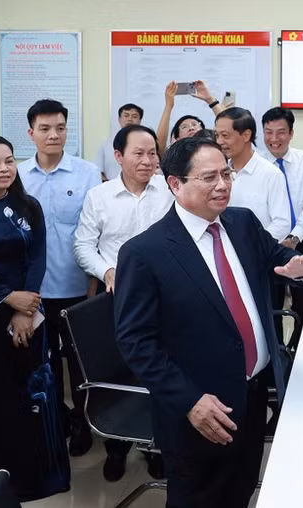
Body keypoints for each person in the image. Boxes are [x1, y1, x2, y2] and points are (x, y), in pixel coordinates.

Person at [113, 137, 303, 507]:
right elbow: (135, 341)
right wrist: (189, 400)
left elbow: (279, 261)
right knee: (199, 497)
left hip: (254, 391)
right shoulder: (145, 252)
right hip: (200, 406)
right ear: (175, 184)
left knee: (241, 488)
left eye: (226, 174)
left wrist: (298, 272)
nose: (223, 185)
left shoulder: (241, 223)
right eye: (209, 177)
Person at [0, 134, 70, 503]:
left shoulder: (28, 206)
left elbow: (38, 257)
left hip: (26, 313)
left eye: (9, 161)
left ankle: (33, 477)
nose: (4, 168)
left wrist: (24, 307)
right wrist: (6, 297)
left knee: (28, 395)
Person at [73, 124, 173, 481]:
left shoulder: (170, 190)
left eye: (153, 153)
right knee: (120, 369)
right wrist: (108, 271)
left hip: (167, 299)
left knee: (161, 369)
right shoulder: (99, 197)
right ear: (118, 157)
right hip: (117, 298)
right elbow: (84, 246)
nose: (148, 161)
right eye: (139, 154)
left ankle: (158, 446)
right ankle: (117, 447)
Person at [18, 99, 102, 458]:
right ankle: (56, 422)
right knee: (42, 363)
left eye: (60, 128)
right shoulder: (17, 175)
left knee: (79, 363)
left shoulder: (86, 173)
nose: (54, 135)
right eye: (45, 129)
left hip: (77, 288)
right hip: (32, 293)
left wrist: (93, 287)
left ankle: (84, 425)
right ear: (31, 133)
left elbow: (95, 233)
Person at [261, 107, 303, 349]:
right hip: (269, 245)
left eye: (280, 132)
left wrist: (294, 238)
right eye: (268, 132)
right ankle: (275, 356)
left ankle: (298, 350)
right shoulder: (256, 164)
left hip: (301, 241)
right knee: (272, 305)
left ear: (291, 133)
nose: (274, 139)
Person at [215, 107, 291, 241]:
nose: (219, 141)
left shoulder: (270, 174)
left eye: (225, 136)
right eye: (217, 135)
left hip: (257, 253)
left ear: (246, 135)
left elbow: (282, 224)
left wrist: (253, 246)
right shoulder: (218, 173)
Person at [157, 80, 226, 157]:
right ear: (177, 138)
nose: (191, 128)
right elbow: (159, 149)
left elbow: (228, 127)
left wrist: (210, 100)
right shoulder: (174, 158)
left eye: (195, 124)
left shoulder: (217, 149)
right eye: (184, 127)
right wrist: (168, 106)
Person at [95, 103, 143, 181]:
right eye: (126, 115)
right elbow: (98, 171)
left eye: (134, 116)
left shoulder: (145, 143)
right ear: (119, 119)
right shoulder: (106, 144)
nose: (130, 119)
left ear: (140, 121)